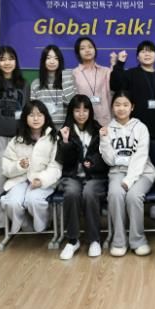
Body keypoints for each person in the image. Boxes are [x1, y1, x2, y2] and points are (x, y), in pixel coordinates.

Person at [109, 41, 155, 220]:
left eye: (150, 51)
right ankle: (138, 202)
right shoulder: (130, 74)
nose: (147, 54)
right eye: (143, 52)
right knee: (138, 169)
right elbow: (115, 85)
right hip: (136, 134)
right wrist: (119, 63)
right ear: (137, 56)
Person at [98, 91, 155, 257]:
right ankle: (119, 241)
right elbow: (110, 160)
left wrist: (129, 181)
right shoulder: (108, 129)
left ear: (132, 107)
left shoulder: (141, 127)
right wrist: (104, 140)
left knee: (133, 196)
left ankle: (138, 241)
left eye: (125, 105)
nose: (121, 108)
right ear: (112, 107)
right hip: (117, 171)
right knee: (115, 194)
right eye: (117, 105)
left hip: (143, 172)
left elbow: (140, 157)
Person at [0, 46, 30, 233]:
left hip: (17, 139)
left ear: (16, 61)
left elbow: (26, 110)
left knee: (17, 181)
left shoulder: (23, 83)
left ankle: (17, 220)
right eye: (2, 59)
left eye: (10, 58)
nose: (7, 62)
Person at [56, 95, 107, 260]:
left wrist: (93, 163)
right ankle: (73, 240)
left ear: (90, 111)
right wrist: (65, 142)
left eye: (85, 110)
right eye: (77, 110)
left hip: (95, 177)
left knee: (89, 192)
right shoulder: (65, 131)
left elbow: (105, 157)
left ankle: (94, 240)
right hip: (72, 176)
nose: (81, 114)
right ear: (71, 112)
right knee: (71, 192)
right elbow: (63, 160)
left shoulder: (98, 129)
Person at [0, 100, 61, 234]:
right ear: (25, 117)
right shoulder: (17, 140)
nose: (36, 119)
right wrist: (18, 166)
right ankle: (25, 226)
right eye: (31, 115)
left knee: (34, 201)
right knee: (12, 203)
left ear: (45, 117)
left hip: (42, 180)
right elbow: (6, 166)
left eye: (39, 115)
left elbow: (56, 166)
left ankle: (43, 226)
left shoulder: (53, 139)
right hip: (20, 180)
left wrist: (41, 180)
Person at [31, 45, 75, 128]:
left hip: (65, 128)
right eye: (48, 58)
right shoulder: (36, 84)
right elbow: (32, 109)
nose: (52, 61)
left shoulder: (67, 80)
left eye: (56, 58)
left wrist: (66, 81)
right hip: (43, 128)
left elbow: (72, 104)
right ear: (43, 61)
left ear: (60, 61)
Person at [72, 36, 112, 126]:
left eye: (90, 47)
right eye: (82, 48)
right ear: (78, 53)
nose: (87, 50)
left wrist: (115, 66)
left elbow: (113, 91)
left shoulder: (106, 71)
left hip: (106, 121)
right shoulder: (74, 73)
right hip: (83, 121)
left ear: (95, 50)